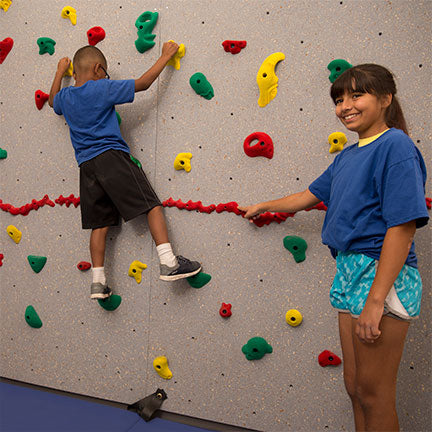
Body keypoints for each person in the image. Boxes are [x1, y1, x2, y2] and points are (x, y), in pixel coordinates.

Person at [239, 64, 429, 431]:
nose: (345, 106)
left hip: (381, 275)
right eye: (339, 99)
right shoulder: (347, 156)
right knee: (354, 388)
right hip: (349, 272)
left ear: (386, 99)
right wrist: (264, 205)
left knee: (375, 394)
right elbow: (307, 196)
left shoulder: (396, 146)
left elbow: (403, 228)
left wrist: (376, 299)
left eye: (357, 95)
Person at [48, 42, 201, 300]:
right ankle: (169, 262)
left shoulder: (66, 97)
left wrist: (58, 71)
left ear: (75, 73)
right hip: (112, 158)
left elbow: (52, 101)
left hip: (86, 168)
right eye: (105, 73)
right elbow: (142, 84)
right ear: (98, 69)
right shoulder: (101, 87)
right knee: (151, 205)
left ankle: (98, 281)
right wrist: (165, 56)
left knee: (100, 225)